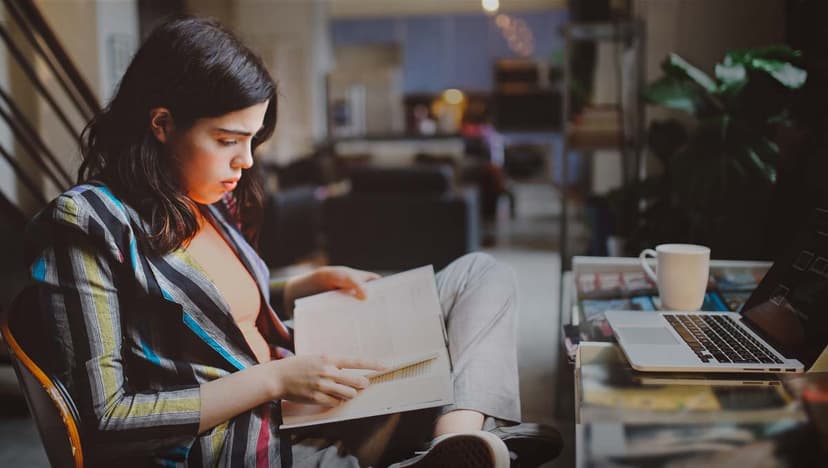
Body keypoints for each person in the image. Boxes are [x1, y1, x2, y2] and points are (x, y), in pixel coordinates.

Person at [23, 17, 561, 467]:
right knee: (436, 356)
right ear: (162, 124)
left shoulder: (198, 194)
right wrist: (275, 379)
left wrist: (298, 285)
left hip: (296, 385)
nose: (247, 160)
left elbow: (198, 307)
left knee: (479, 276)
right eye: (228, 140)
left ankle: (454, 438)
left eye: (253, 139)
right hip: (249, 437)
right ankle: (426, 443)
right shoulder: (86, 223)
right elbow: (106, 419)